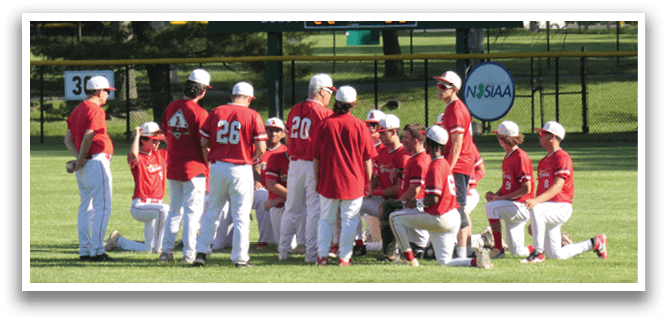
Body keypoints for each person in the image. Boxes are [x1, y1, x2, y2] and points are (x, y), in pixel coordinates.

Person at [387, 125, 493, 268]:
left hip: (440, 218)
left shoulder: (435, 166)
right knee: (445, 262)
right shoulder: (444, 164)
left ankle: (410, 259)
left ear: (430, 144)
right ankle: (475, 262)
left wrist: (415, 203)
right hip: (452, 217)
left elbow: (433, 199)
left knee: (394, 218)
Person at [194, 82, 267, 267]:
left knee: (212, 211)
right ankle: (240, 259)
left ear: (233, 95)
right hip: (241, 168)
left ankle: (201, 253)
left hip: (217, 167)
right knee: (241, 215)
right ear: (249, 98)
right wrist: (251, 156)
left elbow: (203, 140)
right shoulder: (252, 115)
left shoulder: (217, 111)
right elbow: (261, 147)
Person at [521, 121, 608, 263]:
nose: (539, 136)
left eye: (542, 133)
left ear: (552, 137)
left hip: (562, 206)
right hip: (548, 208)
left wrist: (536, 204)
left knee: (536, 208)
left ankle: (537, 253)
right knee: (555, 255)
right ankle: (595, 243)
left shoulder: (562, 157)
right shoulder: (543, 161)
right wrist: (536, 221)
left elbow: (557, 187)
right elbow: (542, 189)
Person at [312, 86, 377, 266]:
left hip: (329, 180)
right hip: (353, 181)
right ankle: (344, 257)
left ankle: (322, 256)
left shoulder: (325, 124)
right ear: (353, 104)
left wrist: (318, 179)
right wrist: (368, 181)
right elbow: (367, 160)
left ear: (336, 102)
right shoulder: (359, 125)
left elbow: (315, 157)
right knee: (349, 221)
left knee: (325, 220)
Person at [280, 73, 336, 262]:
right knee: (314, 210)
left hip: (294, 164)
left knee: (291, 208)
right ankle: (311, 253)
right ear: (321, 92)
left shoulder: (295, 109)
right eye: (329, 92)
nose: (331, 96)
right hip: (313, 165)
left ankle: (283, 250)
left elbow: (287, 139)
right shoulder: (325, 113)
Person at [159, 69, 211, 264]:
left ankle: (166, 252)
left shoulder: (172, 107)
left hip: (173, 165)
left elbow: (166, 134)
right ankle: (189, 254)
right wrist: (209, 167)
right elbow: (205, 145)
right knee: (192, 212)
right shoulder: (201, 113)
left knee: (174, 210)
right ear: (202, 91)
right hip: (194, 168)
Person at [64, 75, 116, 262]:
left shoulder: (77, 110)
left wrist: (79, 159)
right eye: (107, 92)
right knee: (103, 207)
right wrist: (81, 157)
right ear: (99, 92)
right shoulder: (95, 109)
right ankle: (97, 251)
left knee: (86, 208)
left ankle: (85, 250)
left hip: (86, 165)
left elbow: (67, 139)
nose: (107, 96)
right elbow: (89, 135)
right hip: (96, 161)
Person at [105, 122, 169, 253]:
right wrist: (137, 136)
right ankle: (160, 248)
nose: (158, 144)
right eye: (154, 141)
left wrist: (161, 133)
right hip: (141, 206)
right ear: (143, 141)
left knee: (147, 249)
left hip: (155, 206)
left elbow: (175, 146)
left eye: (158, 141)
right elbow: (133, 155)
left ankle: (118, 240)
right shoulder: (138, 157)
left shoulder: (160, 154)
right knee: (165, 209)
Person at [433, 71, 476, 259]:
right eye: (439, 85)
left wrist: (447, 169)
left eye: (444, 86)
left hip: (458, 165)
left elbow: (457, 144)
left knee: (458, 208)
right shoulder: (451, 108)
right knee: (455, 208)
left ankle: (463, 253)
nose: (440, 89)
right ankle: (462, 250)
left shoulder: (457, 109)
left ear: (455, 89)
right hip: (456, 164)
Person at [358, 114, 409, 254]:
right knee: (355, 203)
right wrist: (370, 186)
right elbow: (377, 180)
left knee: (417, 245)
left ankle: (391, 249)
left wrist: (374, 192)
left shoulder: (404, 155)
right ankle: (356, 243)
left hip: (402, 204)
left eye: (383, 133)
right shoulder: (382, 152)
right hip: (385, 201)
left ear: (393, 132)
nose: (379, 137)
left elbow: (399, 189)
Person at [379, 124, 431, 261]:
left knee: (389, 210)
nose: (402, 141)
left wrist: (399, 201)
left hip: (416, 205)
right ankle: (399, 250)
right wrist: (399, 171)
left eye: (406, 138)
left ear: (415, 141)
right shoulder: (414, 157)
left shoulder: (420, 161)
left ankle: (391, 253)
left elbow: (415, 189)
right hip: (413, 204)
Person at [484, 120, 535, 259]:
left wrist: (501, 199)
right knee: (517, 252)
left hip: (521, 205)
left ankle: (498, 248)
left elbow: (526, 189)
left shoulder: (520, 157)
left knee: (491, 208)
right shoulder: (508, 157)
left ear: (502, 139)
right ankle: (545, 246)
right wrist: (496, 195)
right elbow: (508, 185)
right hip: (512, 204)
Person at [253, 117, 289, 249]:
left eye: (277, 130)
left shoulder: (285, 152)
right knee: (262, 196)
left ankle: (267, 239)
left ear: (283, 134)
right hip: (256, 190)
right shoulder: (257, 149)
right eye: (269, 130)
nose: (273, 133)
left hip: (277, 193)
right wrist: (254, 180)